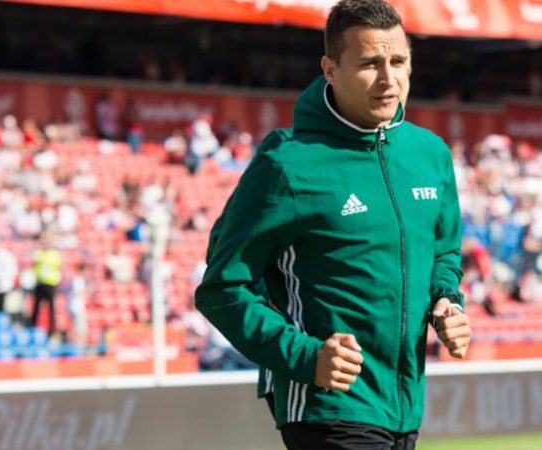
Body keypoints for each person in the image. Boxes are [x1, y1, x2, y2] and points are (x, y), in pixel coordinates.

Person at [194, 1, 471, 448]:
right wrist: (305, 357)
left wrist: (447, 302)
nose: (388, 79)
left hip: (403, 406)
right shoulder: (288, 166)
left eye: (398, 61)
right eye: (369, 63)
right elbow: (222, 288)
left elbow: (443, 253)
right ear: (330, 70)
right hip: (325, 403)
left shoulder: (430, 154)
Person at [29, 235, 62, 336]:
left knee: (51, 307)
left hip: (50, 283)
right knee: (36, 306)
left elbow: (58, 268)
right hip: (40, 283)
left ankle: (52, 329)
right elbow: (34, 262)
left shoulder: (55, 255)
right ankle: (33, 327)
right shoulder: (38, 253)